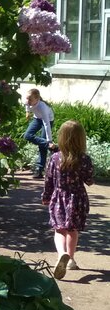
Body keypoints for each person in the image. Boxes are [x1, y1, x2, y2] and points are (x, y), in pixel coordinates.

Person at [41, 119, 94, 279]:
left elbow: (48, 180)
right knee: (73, 230)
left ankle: (61, 254)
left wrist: (46, 197)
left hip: (58, 198)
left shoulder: (55, 158)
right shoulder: (84, 159)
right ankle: (70, 259)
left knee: (59, 229)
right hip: (77, 198)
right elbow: (89, 180)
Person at [23, 88, 53, 177]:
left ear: (37, 99)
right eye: (27, 98)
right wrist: (27, 112)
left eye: (30, 99)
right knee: (27, 135)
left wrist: (49, 140)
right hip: (37, 119)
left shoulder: (42, 107)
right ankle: (49, 146)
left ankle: (39, 170)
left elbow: (47, 124)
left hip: (47, 120)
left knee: (42, 145)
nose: (28, 101)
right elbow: (26, 104)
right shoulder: (28, 101)